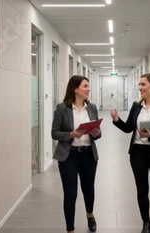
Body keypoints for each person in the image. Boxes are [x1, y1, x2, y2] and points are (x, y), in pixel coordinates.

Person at [111, 73, 150, 233]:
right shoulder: (136, 106)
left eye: (143, 84)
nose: (140, 88)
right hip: (138, 153)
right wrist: (117, 120)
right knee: (142, 190)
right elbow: (128, 128)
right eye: (139, 85)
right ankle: (146, 223)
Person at [52, 75, 102, 233]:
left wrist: (96, 132)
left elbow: (99, 134)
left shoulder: (92, 108)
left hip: (88, 155)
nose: (88, 89)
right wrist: (71, 135)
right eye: (85, 86)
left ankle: (90, 215)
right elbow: (55, 133)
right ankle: (70, 229)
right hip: (69, 156)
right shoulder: (62, 108)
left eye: (88, 86)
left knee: (89, 189)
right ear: (75, 88)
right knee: (70, 193)